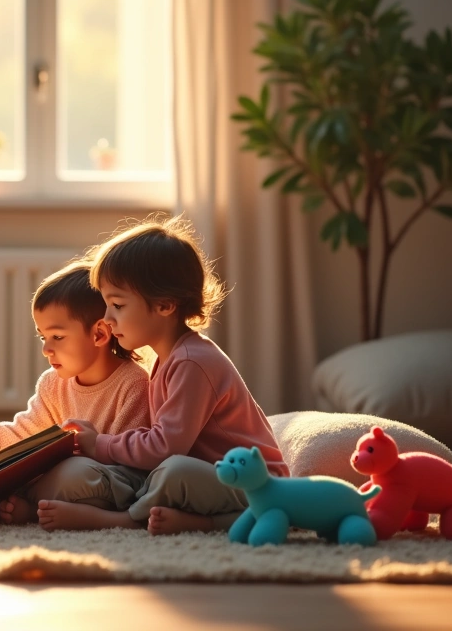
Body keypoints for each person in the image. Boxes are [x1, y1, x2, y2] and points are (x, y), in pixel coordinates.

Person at [35, 215, 289, 534]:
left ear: (165, 305)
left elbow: (166, 446)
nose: (107, 318)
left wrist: (100, 444)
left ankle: (125, 520)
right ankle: (201, 523)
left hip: (257, 483)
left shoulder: (192, 362)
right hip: (217, 479)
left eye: (117, 305)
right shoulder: (168, 358)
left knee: (172, 470)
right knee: (162, 473)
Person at [0, 260, 151, 524]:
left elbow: (129, 463)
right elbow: (25, 431)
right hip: (59, 481)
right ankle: (23, 504)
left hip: (106, 480)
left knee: (76, 474)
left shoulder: (134, 382)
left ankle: (28, 507)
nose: (46, 349)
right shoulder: (52, 383)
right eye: (42, 337)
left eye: (57, 337)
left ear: (99, 334)